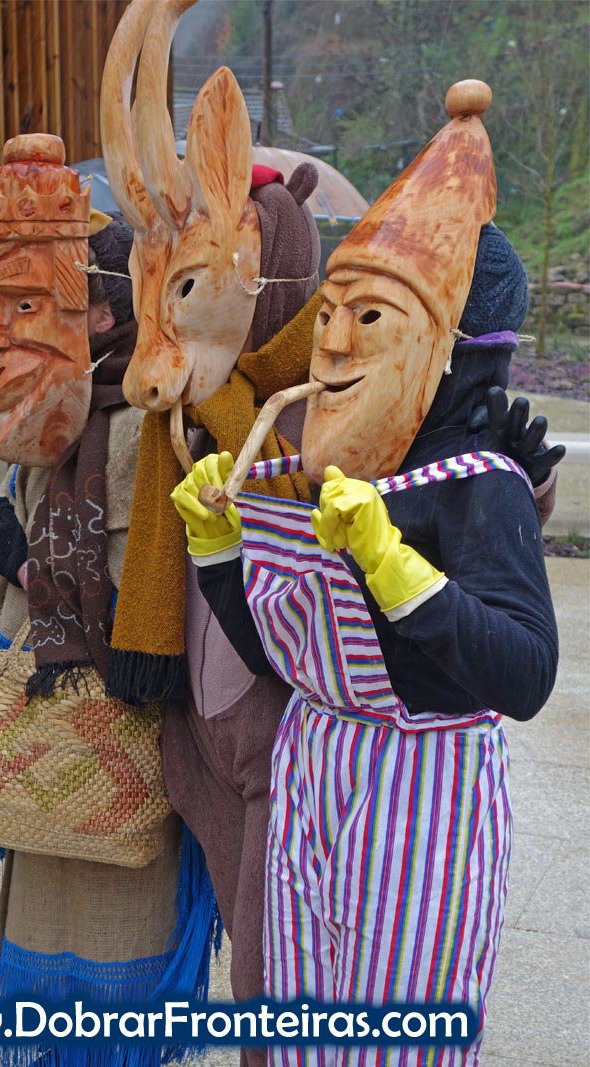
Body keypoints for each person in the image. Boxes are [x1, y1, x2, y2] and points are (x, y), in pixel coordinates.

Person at [173, 83, 559, 1066]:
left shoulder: (480, 487)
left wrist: (392, 565)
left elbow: (520, 675)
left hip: (422, 791)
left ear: (451, 346)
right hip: (314, 760)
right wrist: (219, 550)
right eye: (329, 313)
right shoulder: (315, 472)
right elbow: (276, 650)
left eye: (367, 315)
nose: (333, 342)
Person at [0, 134, 219, 1067]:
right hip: (47, 760)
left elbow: (166, 613)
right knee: (44, 963)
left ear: (109, 305)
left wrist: (31, 564)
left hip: (124, 749)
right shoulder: (54, 417)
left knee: (118, 981)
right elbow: (30, 552)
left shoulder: (154, 430)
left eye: (31, 303)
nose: (2, 334)